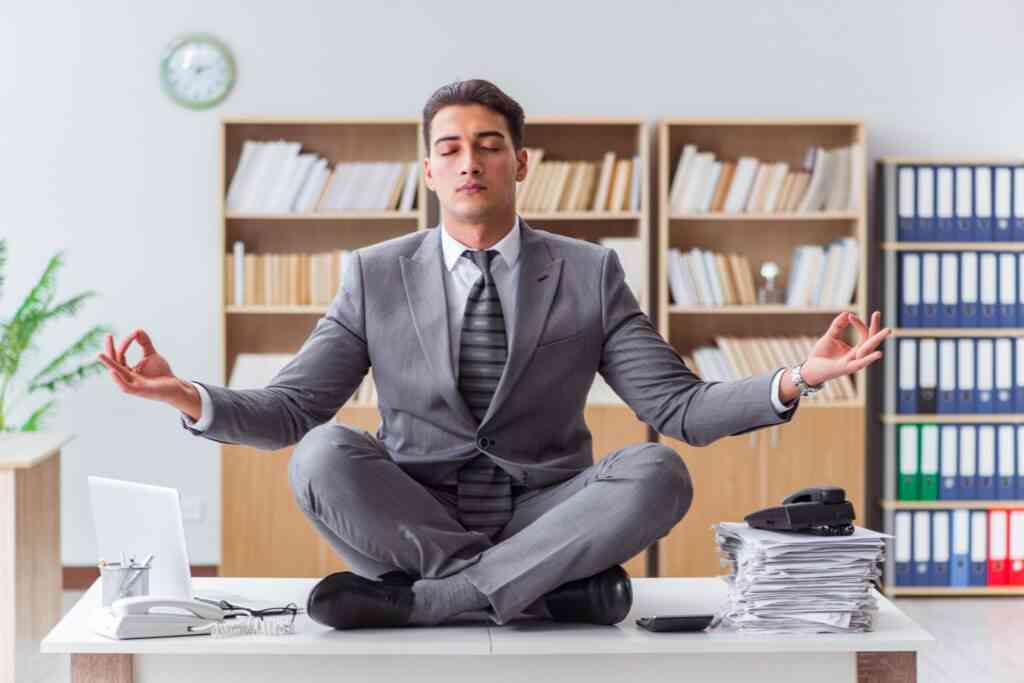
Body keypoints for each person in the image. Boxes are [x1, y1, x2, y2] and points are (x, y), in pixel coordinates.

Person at [98, 78, 890, 630]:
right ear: (430, 170)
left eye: (488, 144)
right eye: (451, 147)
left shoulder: (588, 270)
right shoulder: (375, 274)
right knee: (320, 452)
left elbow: (677, 408)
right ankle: (543, 591)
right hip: (410, 512)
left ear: (521, 161)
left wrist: (797, 377)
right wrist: (187, 395)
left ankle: (437, 600)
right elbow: (291, 410)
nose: (470, 160)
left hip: (547, 505)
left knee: (658, 470)